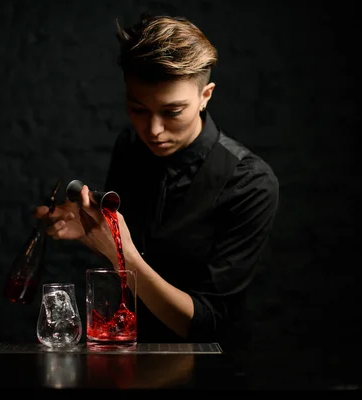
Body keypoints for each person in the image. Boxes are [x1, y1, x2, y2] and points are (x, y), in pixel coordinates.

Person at [34, 14, 279, 347]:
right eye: (137, 109)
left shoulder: (250, 183)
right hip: (128, 355)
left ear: (205, 95)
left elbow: (208, 325)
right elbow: (129, 280)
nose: (153, 130)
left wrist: (123, 252)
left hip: (211, 369)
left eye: (172, 112)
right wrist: (93, 235)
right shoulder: (129, 148)